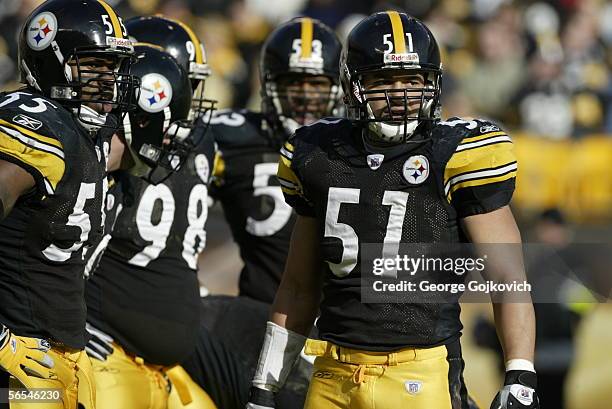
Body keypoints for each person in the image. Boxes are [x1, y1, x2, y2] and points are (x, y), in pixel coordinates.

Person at [247, 11, 539, 409]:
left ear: (432, 85)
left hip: (418, 371)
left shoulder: (456, 154)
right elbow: (297, 286)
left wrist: (520, 374)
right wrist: (264, 387)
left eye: (411, 82)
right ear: (354, 86)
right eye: (383, 81)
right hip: (332, 371)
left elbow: (507, 274)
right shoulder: (318, 154)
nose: (399, 94)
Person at [178, 17, 343, 409]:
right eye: (293, 84)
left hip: (346, 329)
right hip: (261, 320)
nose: (305, 97)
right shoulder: (234, 138)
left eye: (317, 85)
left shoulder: (358, 150)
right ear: (270, 86)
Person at [0, 0, 138, 407]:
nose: (109, 79)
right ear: (51, 62)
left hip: (68, 356)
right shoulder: (37, 125)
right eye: (95, 66)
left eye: (113, 67)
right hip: (23, 362)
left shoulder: (88, 132)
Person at [83, 41, 217, 408]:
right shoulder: (78, 158)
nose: (178, 119)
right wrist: (64, 318)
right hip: (103, 355)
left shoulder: (199, 145)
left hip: (163, 371)